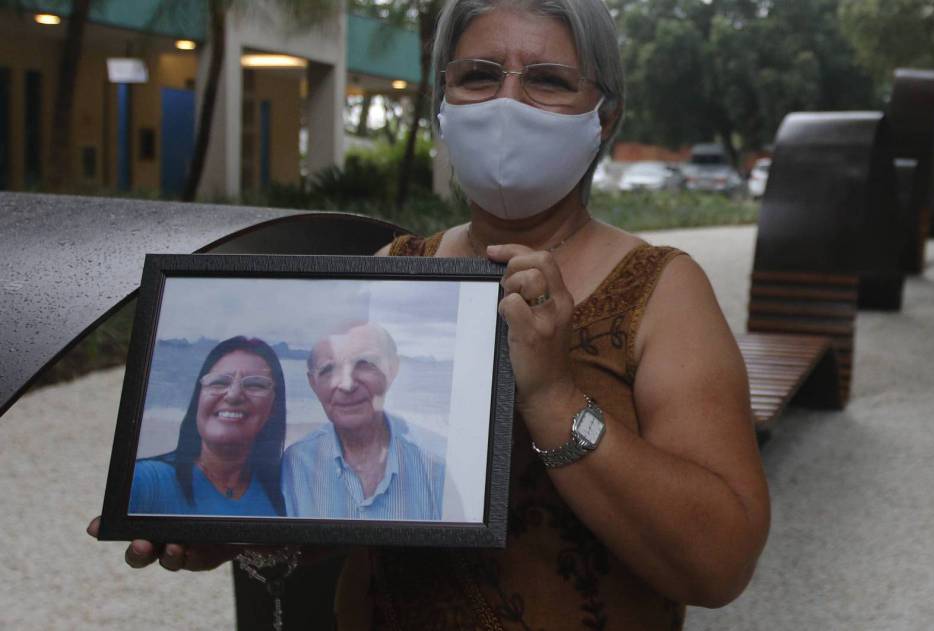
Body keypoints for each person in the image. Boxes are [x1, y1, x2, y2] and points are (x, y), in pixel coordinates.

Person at [89, 0, 770, 627]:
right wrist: (236, 531)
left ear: (605, 116)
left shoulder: (659, 291)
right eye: (477, 75)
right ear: (443, 102)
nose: (507, 103)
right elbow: (356, 502)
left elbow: (719, 563)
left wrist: (556, 397)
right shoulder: (397, 267)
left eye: (549, 81)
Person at [281, 321, 445, 520]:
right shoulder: (296, 465)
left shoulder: (435, 465)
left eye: (365, 364)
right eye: (328, 369)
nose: (347, 385)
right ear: (313, 383)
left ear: (392, 369)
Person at [127, 336, 287, 517]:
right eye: (219, 382)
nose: (233, 395)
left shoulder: (284, 494)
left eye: (255, 384)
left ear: (274, 407)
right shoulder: (145, 481)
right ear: (198, 398)